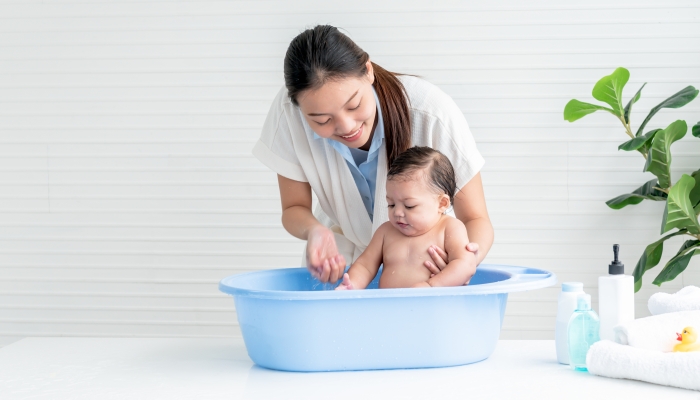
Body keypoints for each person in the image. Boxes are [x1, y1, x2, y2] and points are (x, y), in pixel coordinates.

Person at [253, 25, 493, 283]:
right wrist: (315, 231)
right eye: (322, 120)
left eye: (354, 105)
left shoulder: (430, 112)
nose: (346, 127)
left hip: (426, 266)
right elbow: (294, 207)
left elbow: (476, 218)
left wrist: (459, 265)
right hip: (342, 263)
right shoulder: (288, 116)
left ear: (368, 71)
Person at [336, 147, 476, 290]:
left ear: (442, 203)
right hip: (390, 309)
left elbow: (465, 264)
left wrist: (431, 285)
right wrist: (352, 284)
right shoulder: (385, 232)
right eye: (391, 204)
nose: (397, 212)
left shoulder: (449, 228)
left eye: (409, 206)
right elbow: (365, 266)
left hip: (433, 307)